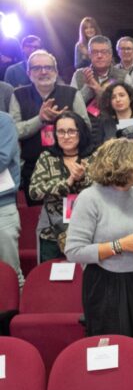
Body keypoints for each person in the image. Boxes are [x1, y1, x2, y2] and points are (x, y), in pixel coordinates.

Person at [64, 138, 133, 356]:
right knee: (116, 351)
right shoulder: (89, 198)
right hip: (107, 286)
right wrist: (120, 246)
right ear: (126, 164)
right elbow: (74, 251)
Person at [9, 50, 89, 204]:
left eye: (48, 67)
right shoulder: (19, 94)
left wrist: (66, 121)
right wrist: (40, 119)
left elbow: (85, 126)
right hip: (33, 169)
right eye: (37, 68)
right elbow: (14, 131)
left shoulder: (72, 93)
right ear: (28, 72)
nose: (43, 71)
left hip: (71, 166)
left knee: (74, 216)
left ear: (56, 71)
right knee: (40, 218)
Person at [29, 111, 93, 262]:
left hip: (88, 229)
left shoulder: (93, 156)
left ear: (80, 132)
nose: (66, 136)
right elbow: (34, 191)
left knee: (85, 278)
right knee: (49, 278)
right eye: (61, 132)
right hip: (51, 231)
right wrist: (67, 182)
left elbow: (103, 189)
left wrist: (83, 178)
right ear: (55, 134)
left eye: (71, 131)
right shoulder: (47, 157)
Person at [71, 35, 132, 109]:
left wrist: (99, 91)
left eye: (104, 52)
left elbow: (130, 106)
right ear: (89, 55)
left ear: (110, 54)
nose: (99, 56)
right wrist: (88, 87)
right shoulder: (79, 75)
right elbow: (72, 105)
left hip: (115, 119)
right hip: (87, 120)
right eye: (95, 52)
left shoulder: (123, 76)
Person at [0, 111, 22, 287]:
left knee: (11, 276)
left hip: (2, 207)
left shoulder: (3, 121)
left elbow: (2, 159)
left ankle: (14, 315)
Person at [91, 82, 133, 147]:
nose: (118, 100)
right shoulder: (105, 123)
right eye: (113, 97)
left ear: (131, 98)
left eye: (122, 95)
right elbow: (98, 149)